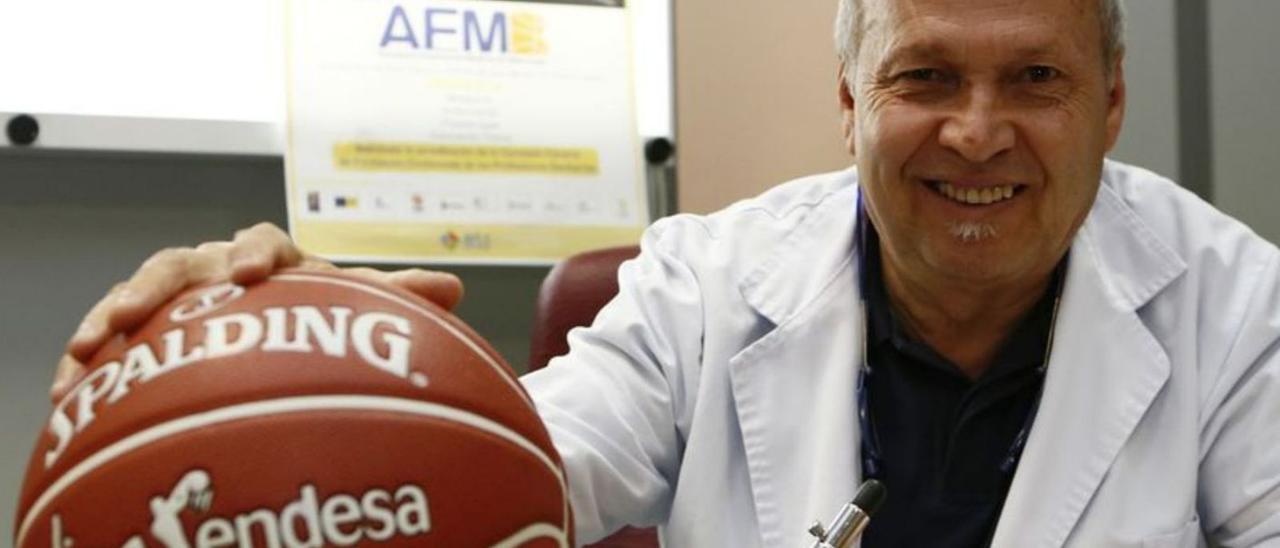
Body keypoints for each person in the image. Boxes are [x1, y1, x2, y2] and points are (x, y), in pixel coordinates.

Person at [53, 0, 1280, 545]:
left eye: (1035, 79)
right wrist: (296, 356)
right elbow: (513, 471)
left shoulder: (1241, 313)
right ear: (849, 99)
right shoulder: (705, 279)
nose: (973, 130)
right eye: (922, 77)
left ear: (1111, 102)